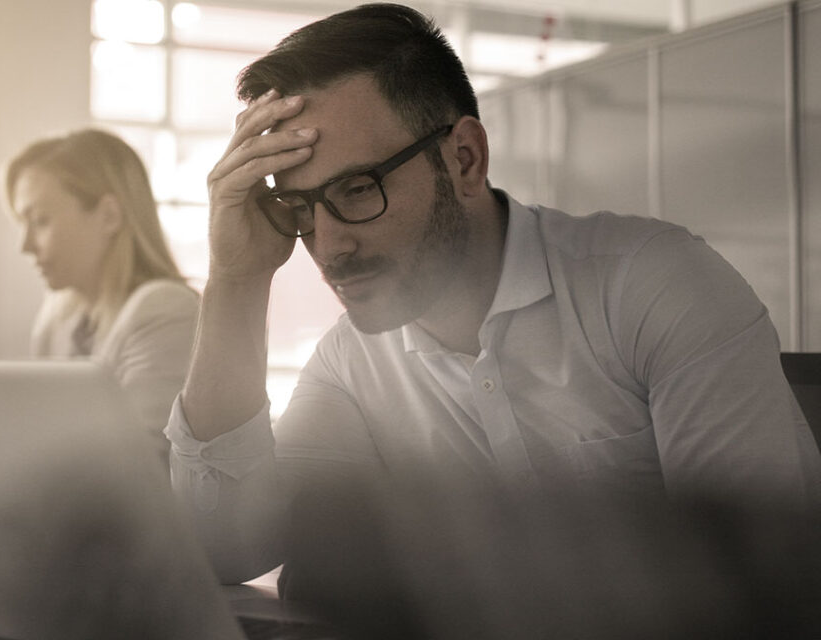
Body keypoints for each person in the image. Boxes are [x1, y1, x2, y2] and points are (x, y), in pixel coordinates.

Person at [165, 2, 821, 586]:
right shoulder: (351, 364)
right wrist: (237, 278)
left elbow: (768, 575)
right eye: (302, 207)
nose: (328, 245)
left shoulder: (653, 284)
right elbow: (228, 551)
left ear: (466, 160)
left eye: (359, 189)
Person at [3, 129, 199, 434]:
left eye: (40, 220)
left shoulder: (166, 309)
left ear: (109, 216)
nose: (25, 246)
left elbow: (145, 460)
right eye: (22, 223)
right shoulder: (57, 318)